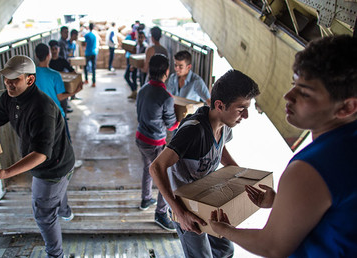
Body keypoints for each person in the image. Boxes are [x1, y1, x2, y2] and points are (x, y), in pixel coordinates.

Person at [209, 35, 357, 257]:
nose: (288, 96)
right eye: (294, 85)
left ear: (346, 108)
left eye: (305, 92)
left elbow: (272, 246)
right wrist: (279, 203)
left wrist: (224, 229)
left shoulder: (309, 169)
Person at [150, 69, 260, 258]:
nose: (246, 116)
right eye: (241, 109)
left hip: (206, 199)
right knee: (200, 254)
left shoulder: (225, 126)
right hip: (186, 207)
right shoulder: (193, 132)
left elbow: (220, 150)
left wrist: (243, 178)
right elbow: (156, 167)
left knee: (225, 250)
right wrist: (180, 213)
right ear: (219, 105)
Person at [0, 55, 76, 258]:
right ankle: (65, 212)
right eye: (6, 78)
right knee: (58, 192)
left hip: (51, 168)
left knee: (44, 215)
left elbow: (40, 155)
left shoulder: (42, 108)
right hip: (63, 161)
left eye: (14, 79)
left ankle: (55, 255)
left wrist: (6, 172)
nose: (8, 83)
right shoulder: (9, 98)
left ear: (30, 80)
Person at [136, 54, 179, 231]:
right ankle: (161, 213)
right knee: (164, 177)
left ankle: (146, 199)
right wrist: (182, 120)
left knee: (148, 169)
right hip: (155, 142)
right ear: (167, 72)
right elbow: (171, 126)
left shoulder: (143, 89)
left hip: (140, 138)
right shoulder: (166, 96)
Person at [47, 40, 76, 114]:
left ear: (59, 49)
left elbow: (72, 71)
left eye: (55, 49)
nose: (54, 51)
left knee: (63, 107)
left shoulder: (62, 60)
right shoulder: (48, 62)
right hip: (51, 88)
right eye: (52, 49)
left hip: (61, 88)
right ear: (49, 50)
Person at [125, 30, 148, 100]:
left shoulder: (145, 47)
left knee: (141, 82)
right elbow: (133, 54)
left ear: (144, 38)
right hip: (133, 64)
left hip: (140, 66)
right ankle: (134, 91)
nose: (140, 39)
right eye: (139, 37)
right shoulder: (135, 45)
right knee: (127, 76)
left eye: (142, 37)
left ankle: (138, 95)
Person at [83, 23, 99, 87]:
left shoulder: (87, 35)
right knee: (93, 68)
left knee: (85, 66)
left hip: (88, 53)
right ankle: (94, 82)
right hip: (94, 52)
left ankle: (86, 79)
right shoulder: (94, 35)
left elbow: (85, 44)